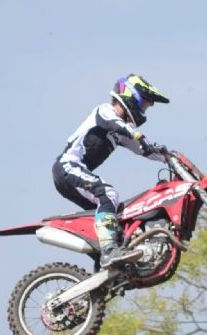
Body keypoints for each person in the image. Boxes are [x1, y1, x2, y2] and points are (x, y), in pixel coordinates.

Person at [52, 73, 170, 268]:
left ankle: (102, 266)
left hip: (73, 174)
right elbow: (118, 125)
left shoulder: (122, 132)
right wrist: (135, 133)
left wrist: (169, 158)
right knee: (108, 194)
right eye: (144, 104)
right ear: (131, 97)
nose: (145, 109)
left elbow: (145, 150)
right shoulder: (105, 111)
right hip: (67, 166)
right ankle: (108, 252)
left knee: (113, 215)